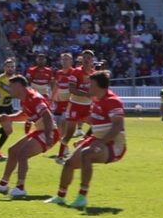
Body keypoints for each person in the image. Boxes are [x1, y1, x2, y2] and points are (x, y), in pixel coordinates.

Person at [50, 71, 124, 208]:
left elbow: (117, 127)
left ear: (99, 87)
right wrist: (87, 139)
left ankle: (82, 197)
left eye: (91, 84)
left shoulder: (112, 101)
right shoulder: (95, 100)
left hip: (114, 145)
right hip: (97, 140)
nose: (87, 87)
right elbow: (97, 125)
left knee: (86, 155)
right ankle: (60, 196)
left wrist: (99, 143)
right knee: (69, 163)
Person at [0, 75, 59, 198]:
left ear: (19, 86)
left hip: (49, 131)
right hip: (40, 130)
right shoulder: (25, 99)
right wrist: (10, 117)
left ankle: (20, 188)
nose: (9, 90)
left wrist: (48, 136)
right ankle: (3, 184)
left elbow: (47, 115)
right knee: (12, 150)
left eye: (11, 87)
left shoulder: (33, 98)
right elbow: (25, 114)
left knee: (23, 154)